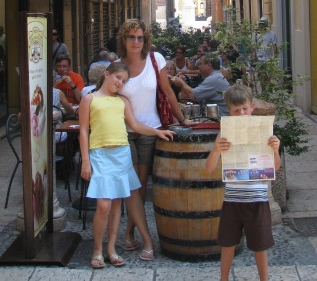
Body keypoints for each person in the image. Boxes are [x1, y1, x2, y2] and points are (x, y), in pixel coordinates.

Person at [79, 62, 175, 268]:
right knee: (104, 204)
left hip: (121, 154)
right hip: (100, 154)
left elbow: (136, 125)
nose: (119, 83)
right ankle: (97, 249)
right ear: (107, 74)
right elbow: (83, 131)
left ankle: (111, 249)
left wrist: (157, 132)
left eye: (123, 81)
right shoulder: (89, 99)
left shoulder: (122, 101)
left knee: (116, 204)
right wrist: (85, 160)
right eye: (117, 78)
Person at [116, 19, 193, 251]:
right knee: (130, 185)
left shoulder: (154, 59)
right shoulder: (117, 66)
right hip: (125, 131)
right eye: (132, 37)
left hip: (151, 130)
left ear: (145, 39)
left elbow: (168, 91)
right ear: (124, 40)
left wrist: (181, 119)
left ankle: (131, 231)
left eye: (140, 37)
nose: (136, 42)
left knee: (140, 184)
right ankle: (138, 232)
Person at [205, 84, 281, 281]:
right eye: (236, 110)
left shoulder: (265, 133)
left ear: (252, 108)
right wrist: (215, 150)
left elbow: (275, 168)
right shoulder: (224, 134)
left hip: (257, 199)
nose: (241, 114)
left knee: (260, 245)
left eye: (245, 109)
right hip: (233, 200)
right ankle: (224, 278)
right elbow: (209, 169)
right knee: (227, 244)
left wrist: (274, 149)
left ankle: (264, 279)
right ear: (229, 112)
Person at [171, 52, 230, 117]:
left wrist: (182, 83)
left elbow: (193, 96)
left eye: (200, 64)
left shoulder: (214, 79)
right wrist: (183, 83)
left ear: (208, 65)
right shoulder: (216, 76)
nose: (198, 66)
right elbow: (186, 99)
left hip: (218, 120)